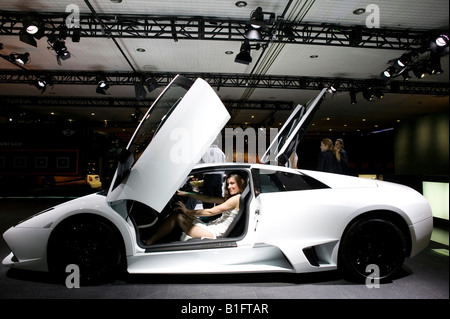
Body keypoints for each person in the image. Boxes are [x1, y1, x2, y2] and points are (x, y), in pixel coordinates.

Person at [143, 172, 247, 245]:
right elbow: (208, 198)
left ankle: (149, 242)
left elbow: (211, 211)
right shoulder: (232, 198)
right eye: (228, 184)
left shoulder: (236, 199)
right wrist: (187, 193)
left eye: (232, 183)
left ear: (241, 182)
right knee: (178, 215)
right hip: (212, 226)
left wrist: (188, 211)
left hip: (214, 233)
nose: (229, 187)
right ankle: (152, 241)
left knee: (178, 217)